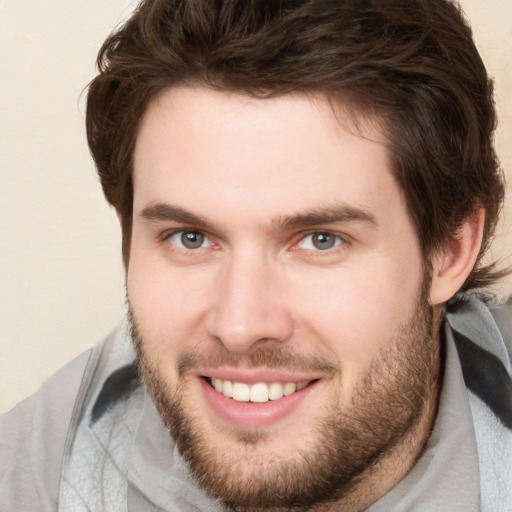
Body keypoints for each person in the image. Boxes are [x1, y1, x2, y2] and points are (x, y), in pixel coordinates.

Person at [1, 0, 511, 510]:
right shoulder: (33, 479)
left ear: (449, 250)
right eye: (190, 238)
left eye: (319, 240)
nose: (241, 326)